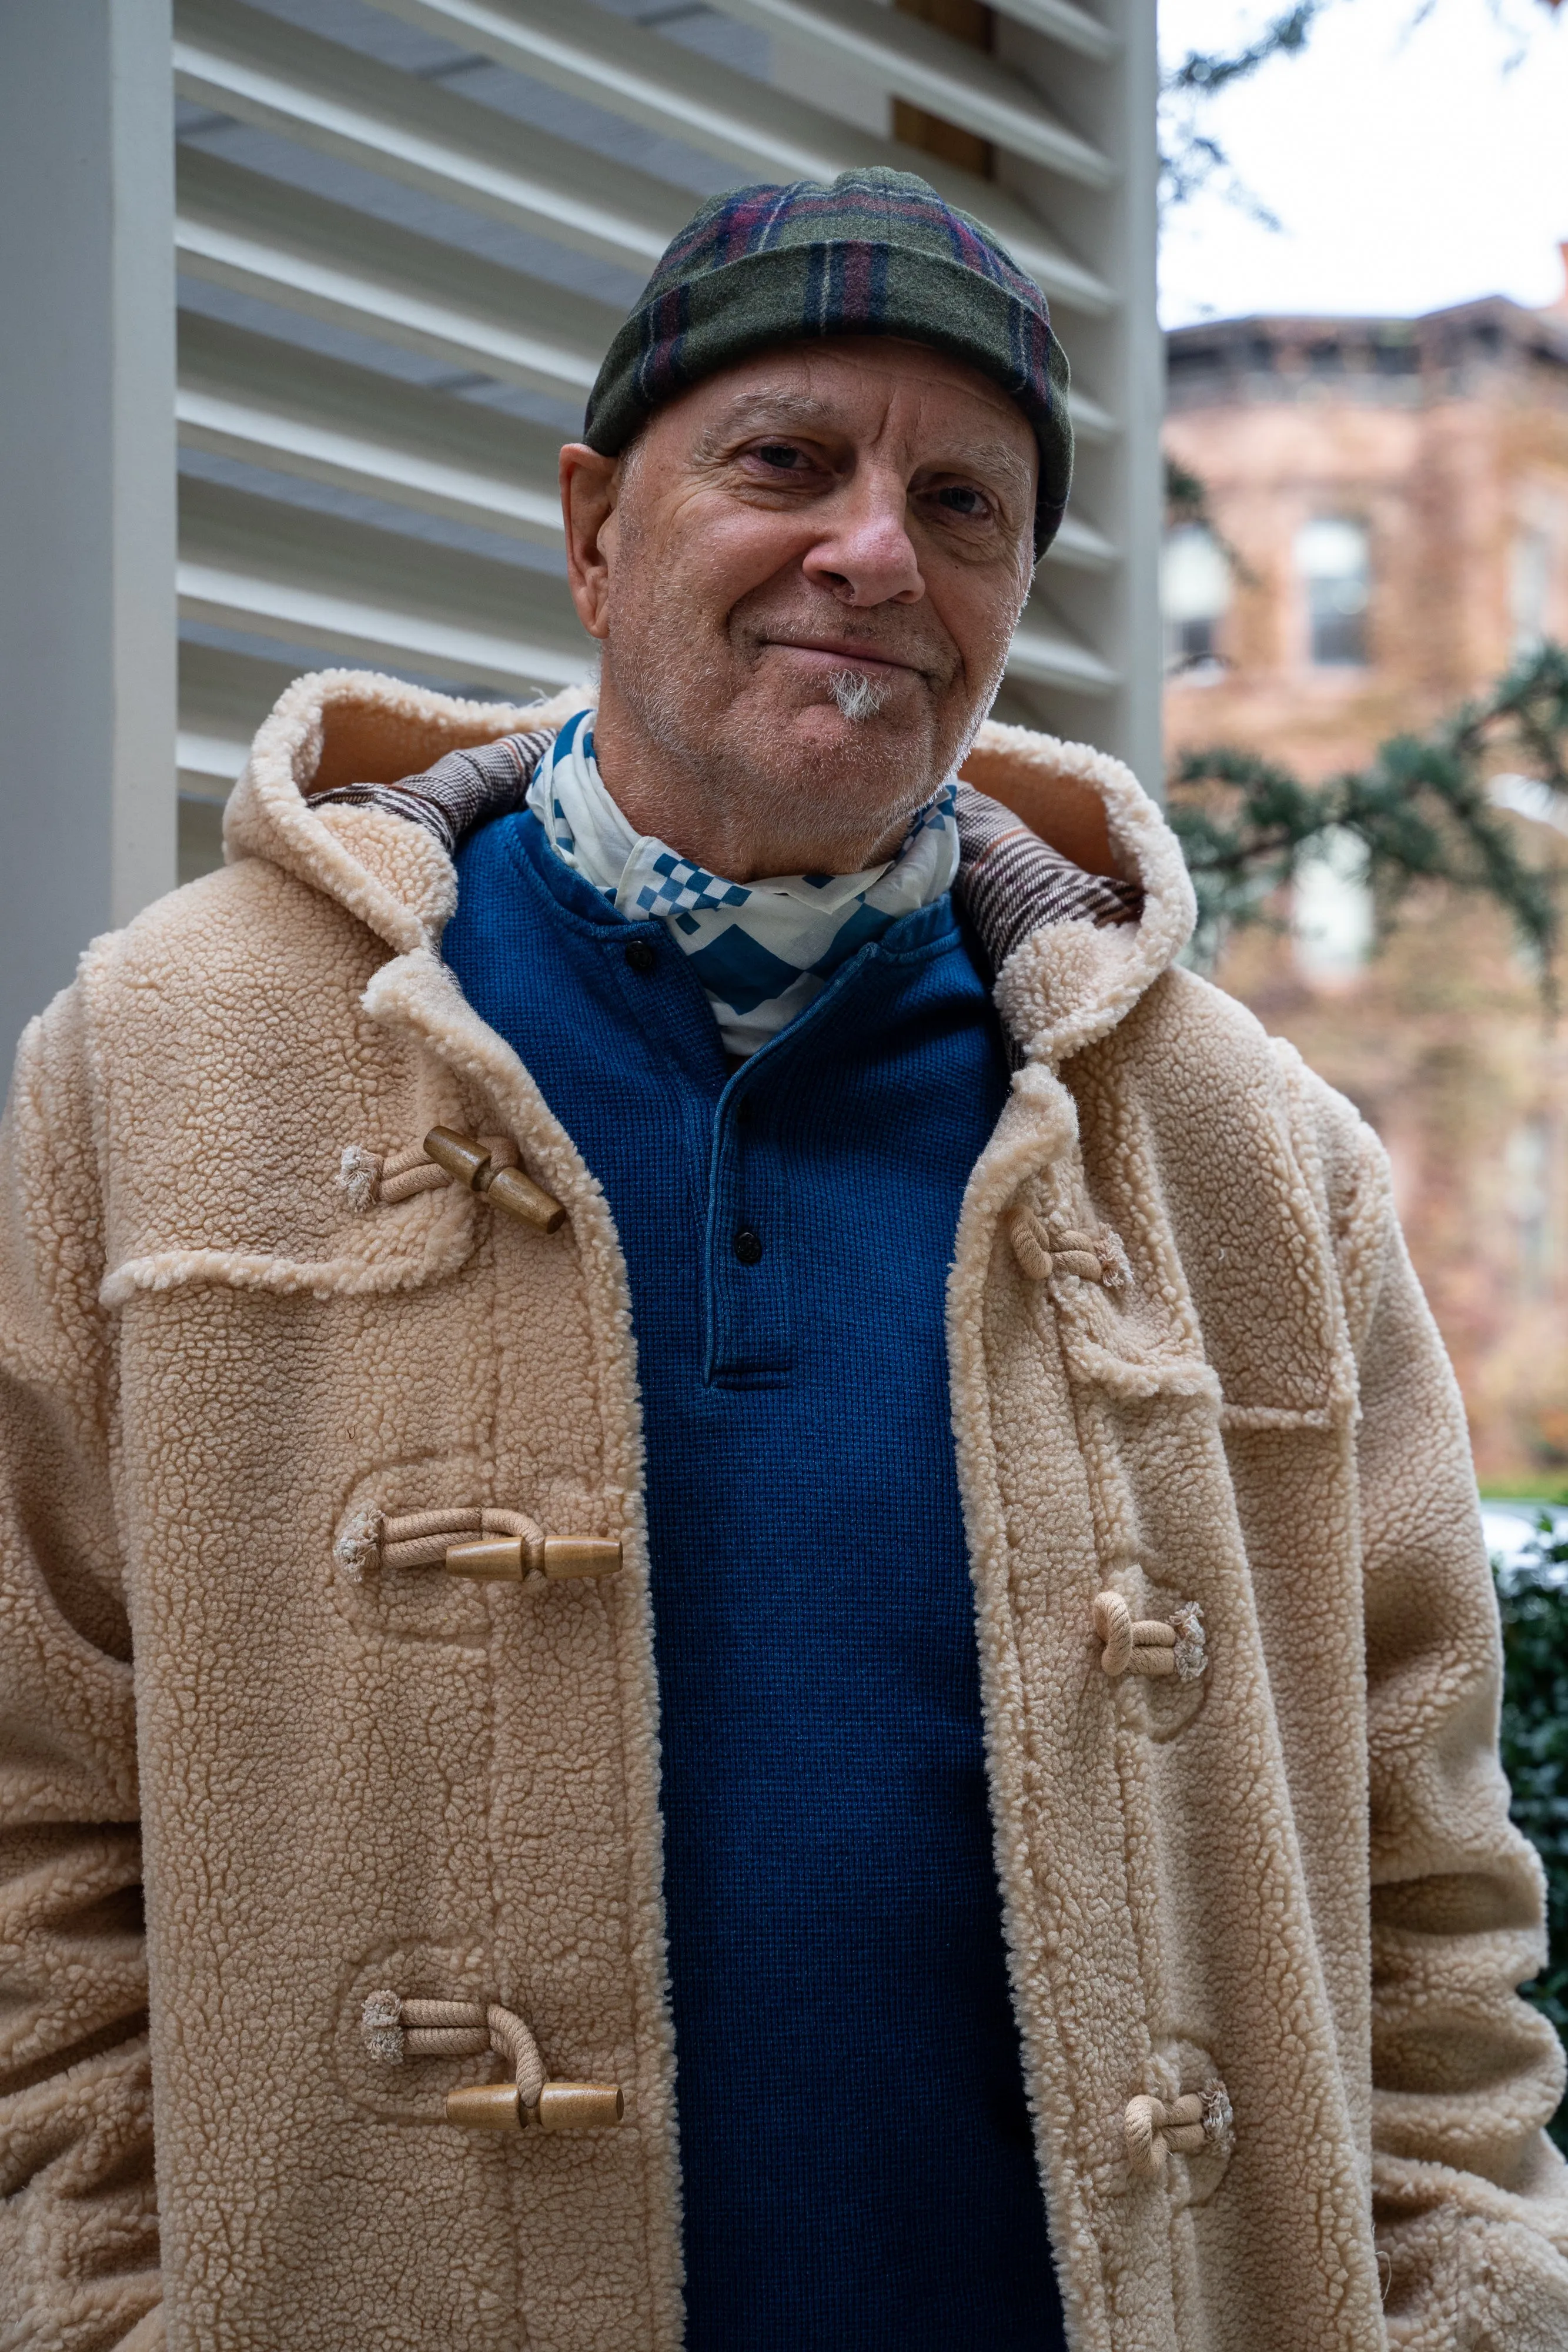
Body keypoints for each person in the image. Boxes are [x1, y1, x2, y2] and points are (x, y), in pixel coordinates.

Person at [1, 165, 1564, 2352]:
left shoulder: (1246, 1160)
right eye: (785, 462)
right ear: (591, 528)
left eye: (965, 505)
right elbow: (35, 1830)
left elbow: (1429, 1910)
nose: (875, 555)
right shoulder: (164, 1071)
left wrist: (1469, 2315)